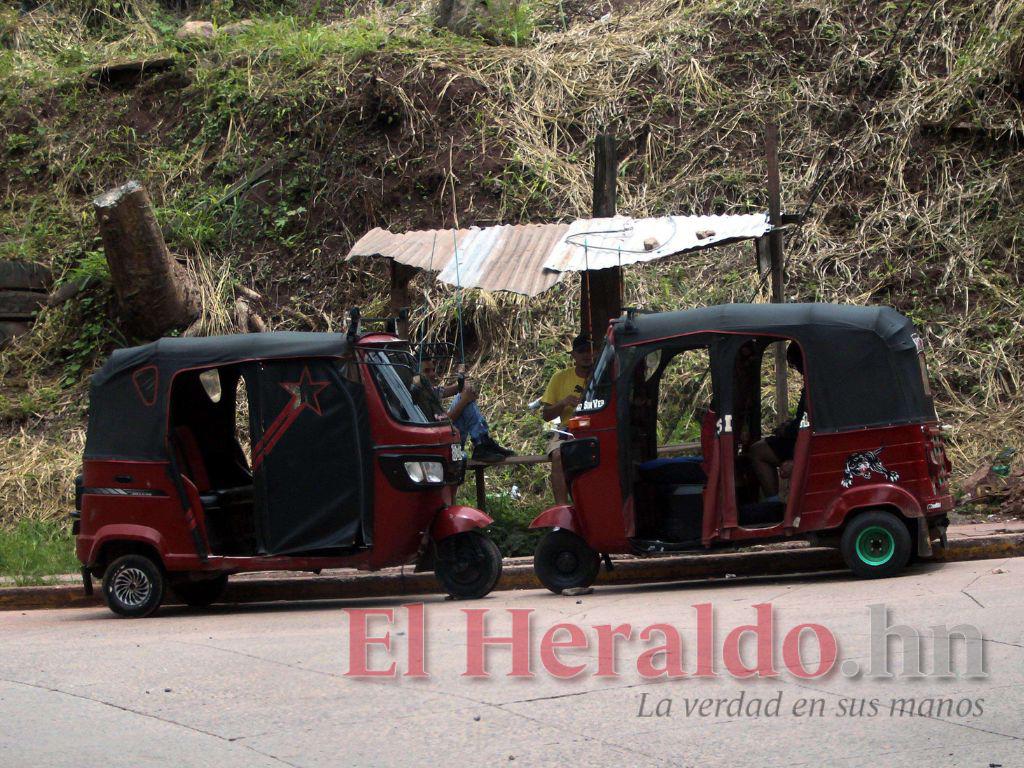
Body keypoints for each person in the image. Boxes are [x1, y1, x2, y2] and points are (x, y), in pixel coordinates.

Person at [415, 357, 512, 464]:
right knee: (464, 400)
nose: (433, 374)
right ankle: (481, 443)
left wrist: (464, 384)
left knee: (464, 396)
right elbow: (445, 424)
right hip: (449, 453)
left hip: (452, 445)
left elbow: (451, 389)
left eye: (433, 370)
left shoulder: (429, 390)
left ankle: (483, 443)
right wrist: (465, 398)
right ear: (416, 375)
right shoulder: (418, 396)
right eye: (427, 371)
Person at [541, 333, 595, 506]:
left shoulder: (602, 376)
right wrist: (563, 403)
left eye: (590, 351)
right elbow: (546, 415)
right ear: (574, 355)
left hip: (597, 427)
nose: (587, 355)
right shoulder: (560, 377)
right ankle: (562, 508)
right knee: (557, 455)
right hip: (567, 429)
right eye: (581, 351)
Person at [750, 342, 806, 501]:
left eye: (796, 365)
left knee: (757, 451)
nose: (797, 370)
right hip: (799, 436)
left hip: (804, 442)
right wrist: (789, 425)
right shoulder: (812, 383)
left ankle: (773, 502)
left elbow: (809, 422)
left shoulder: (814, 385)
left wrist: (787, 431)